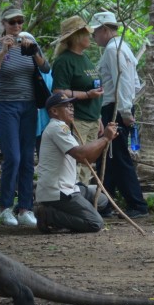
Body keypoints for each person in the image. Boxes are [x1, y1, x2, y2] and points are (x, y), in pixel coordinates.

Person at [0, 7, 50, 227]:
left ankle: (25, 208)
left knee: (26, 157)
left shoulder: (30, 43)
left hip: (29, 106)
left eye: (20, 22)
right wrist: (4, 51)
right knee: (12, 157)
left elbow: (46, 68)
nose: (17, 26)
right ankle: (4, 207)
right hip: (6, 106)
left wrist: (34, 52)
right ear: (3, 23)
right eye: (12, 22)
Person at [91, 11, 149, 218]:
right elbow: (133, 81)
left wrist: (124, 110)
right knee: (109, 156)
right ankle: (105, 202)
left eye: (95, 32)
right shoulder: (122, 48)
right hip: (117, 106)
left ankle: (137, 204)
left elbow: (122, 82)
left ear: (105, 30)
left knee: (118, 156)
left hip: (115, 107)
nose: (93, 37)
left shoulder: (113, 50)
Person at [34, 94, 118, 233]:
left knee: (102, 199)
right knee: (95, 223)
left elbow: (88, 159)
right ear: (54, 111)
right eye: (67, 106)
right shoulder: (57, 128)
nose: (72, 109)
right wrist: (104, 139)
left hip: (68, 187)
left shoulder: (62, 128)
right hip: (58, 191)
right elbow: (80, 154)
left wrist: (106, 140)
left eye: (72, 106)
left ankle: (60, 215)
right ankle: (48, 215)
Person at [51, 15, 105, 187]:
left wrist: (98, 117)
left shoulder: (86, 59)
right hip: (77, 119)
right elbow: (59, 92)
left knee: (88, 165)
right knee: (77, 162)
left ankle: (83, 198)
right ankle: (74, 198)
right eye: (86, 34)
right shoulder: (64, 61)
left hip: (92, 118)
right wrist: (87, 95)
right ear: (76, 37)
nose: (90, 37)